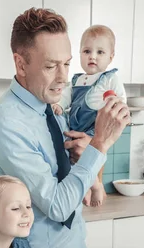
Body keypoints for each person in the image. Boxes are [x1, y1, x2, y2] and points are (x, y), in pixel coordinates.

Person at [0, 8, 130, 248]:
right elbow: (58, 207)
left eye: (67, 63)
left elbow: (76, 175)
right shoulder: (7, 123)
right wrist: (99, 145)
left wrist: (89, 154)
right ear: (21, 64)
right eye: (51, 66)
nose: (63, 77)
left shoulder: (53, 108)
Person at [52, 25, 127, 207]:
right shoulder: (78, 79)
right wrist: (59, 105)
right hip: (76, 125)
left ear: (111, 57)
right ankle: (84, 188)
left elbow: (121, 101)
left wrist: (115, 105)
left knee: (91, 159)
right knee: (75, 160)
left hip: (96, 126)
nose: (92, 56)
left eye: (100, 52)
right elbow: (67, 96)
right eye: (87, 51)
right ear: (79, 54)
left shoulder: (110, 78)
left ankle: (96, 186)